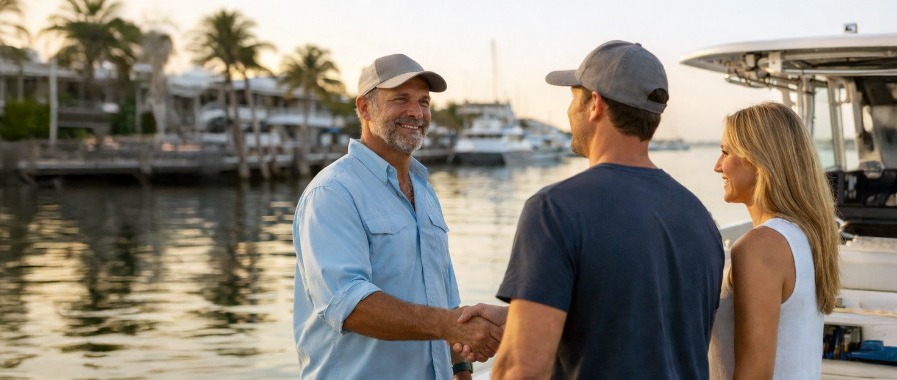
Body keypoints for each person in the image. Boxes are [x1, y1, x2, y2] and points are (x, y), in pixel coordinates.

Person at [464, 40, 725, 379]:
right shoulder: (699, 217)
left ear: (595, 104)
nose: (569, 112)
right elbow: (642, 324)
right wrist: (522, 318)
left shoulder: (554, 211)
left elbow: (522, 369)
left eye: (574, 98)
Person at [292, 53, 502, 380]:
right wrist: (451, 326)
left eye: (424, 102)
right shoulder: (333, 193)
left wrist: (461, 371)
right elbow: (349, 306)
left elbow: (445, 299)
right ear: (364, 108)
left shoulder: (424, 191)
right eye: (400, 99)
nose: (416, 113)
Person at [709, 102, 841, 379]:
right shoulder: (808, 235)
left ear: (759, 160)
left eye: (725, 152)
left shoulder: (760, 247)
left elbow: (754, 374)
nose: (717, 166)